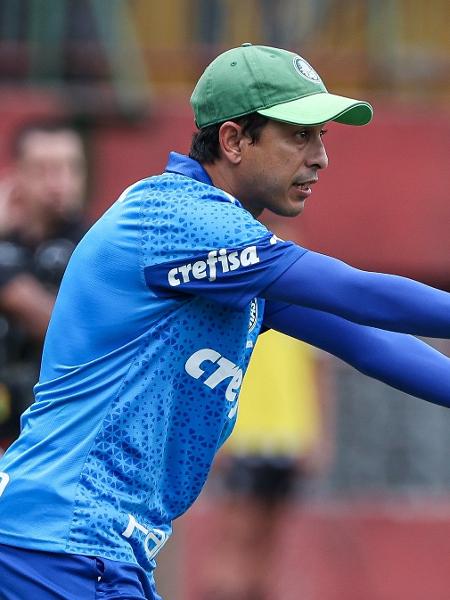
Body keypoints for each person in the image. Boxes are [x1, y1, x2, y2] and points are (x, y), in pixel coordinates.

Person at [0, 43, 449, 599]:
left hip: (80, 548)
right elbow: (360, 293)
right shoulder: (175, 216)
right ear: (234, 140)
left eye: (321, 137)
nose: (319, 158)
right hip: (64, 544)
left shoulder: (235, 259)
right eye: (298, 135)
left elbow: (369, 342)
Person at [199, 329, 333, 600]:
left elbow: (319, 371)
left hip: (289, 438)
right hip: (242, 437)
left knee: (270, 541)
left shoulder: (307, 307)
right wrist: (210, 436)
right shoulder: (241, 301)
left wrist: (319, 436)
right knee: (237, 537)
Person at [0, 120, 87, 449]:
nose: (59, 182)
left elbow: (65, 328)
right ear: (18, 173)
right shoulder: (7, 242)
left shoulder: (95, 245)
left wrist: (12, 289)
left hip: (58, 437)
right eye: (44, 169)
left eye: (70, 168)